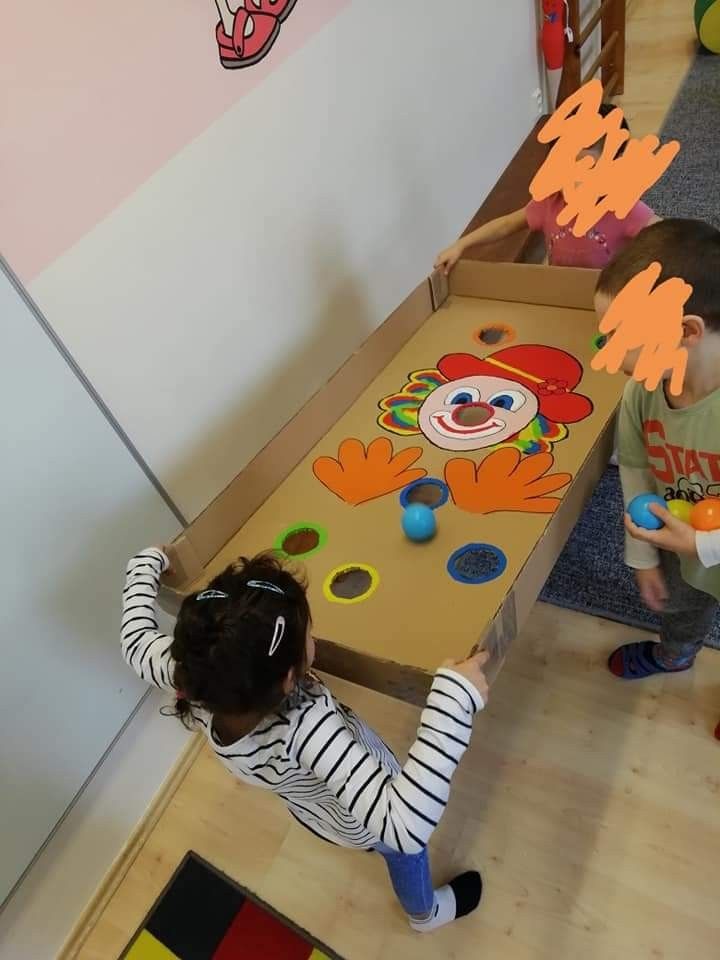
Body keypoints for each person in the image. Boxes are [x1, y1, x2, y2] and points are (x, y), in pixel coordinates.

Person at [121, 548, 489, 930]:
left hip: (318, 809)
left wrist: (146, 562)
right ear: (287, 679)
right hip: (364, 820)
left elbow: (134, 641)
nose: (313, 637)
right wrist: (453, 700)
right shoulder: (304, 726)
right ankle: (424, 914)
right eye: (308, 634)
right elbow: (405, 826)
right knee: (404, 854)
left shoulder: (195, 677)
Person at [591, 219, 720, 691]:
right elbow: (637, 467)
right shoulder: (642, 394)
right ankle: (676, 655)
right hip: (685, 544)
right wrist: (643, 554)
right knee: (685, 607)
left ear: (686, 331)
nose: (610, 356)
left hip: (701, 542)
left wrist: (705, 546)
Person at [434, 104, 660, 275]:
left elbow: (669, 239)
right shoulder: (550, 201)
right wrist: (461, 245)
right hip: (560, 291)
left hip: (609, 296)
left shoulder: (625, 207)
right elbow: (505, 225)